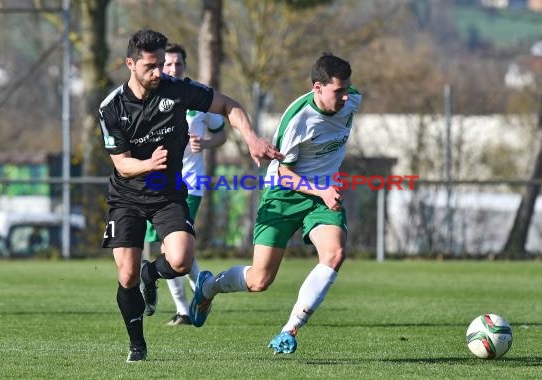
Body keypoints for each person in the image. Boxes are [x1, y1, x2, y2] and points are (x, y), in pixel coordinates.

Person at [99, 29, 283, 363]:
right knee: (124, 275)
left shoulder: (178, 90)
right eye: (150, 66)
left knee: (181, 261)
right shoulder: (111, 108)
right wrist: (148, 163)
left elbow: (229, 105)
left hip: (167, 192)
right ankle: (137, 344)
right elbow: (122, 165)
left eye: (161, 65)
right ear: (130, 64)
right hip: (126, 196)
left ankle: (150, 274)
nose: (159, 73)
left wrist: (252, 138)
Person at [190, 53, 362, 354]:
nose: (346, 97)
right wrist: (320, 191)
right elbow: (283, 174)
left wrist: (323, 191)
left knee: (334, 254)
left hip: (322, 196)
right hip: (284, 193)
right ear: (317, 87)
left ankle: (290, 329)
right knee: (259, 280)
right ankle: (208, 287)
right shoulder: (298, 119)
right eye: (339, 91)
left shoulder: (352, 100)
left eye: (348, 89)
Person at [143, 42, 227, 326]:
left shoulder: (198, 99)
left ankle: (185, 309)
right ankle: (195, 299)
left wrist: (205, 143)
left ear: (185, 66)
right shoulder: (152, 97)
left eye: (178, 64)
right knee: (167, 250)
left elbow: (221, 135)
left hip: (191, 184)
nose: (173, 68)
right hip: (158, 184)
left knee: (173, 248)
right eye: (168, 64)